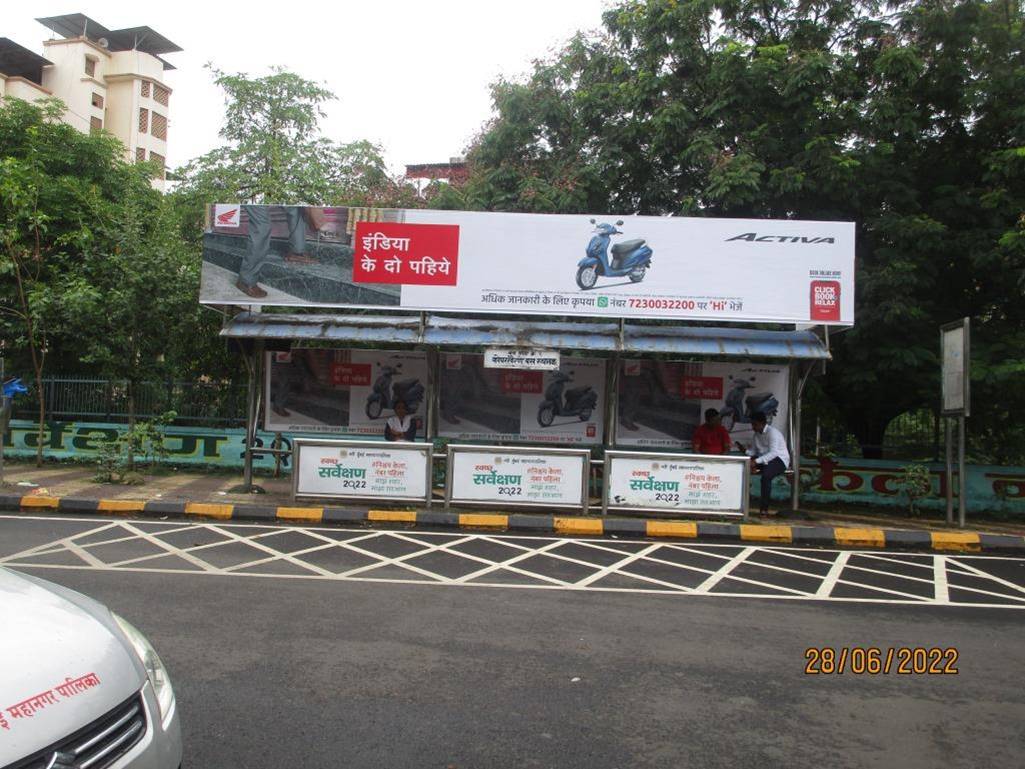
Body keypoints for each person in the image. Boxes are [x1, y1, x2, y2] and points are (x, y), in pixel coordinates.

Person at [236, 206, 328, 299]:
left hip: (273, 191)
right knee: (261, 226)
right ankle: (246, 281)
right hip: (253, 193)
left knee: (295, 208)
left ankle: (297, 251)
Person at [737, 411, 790, 515]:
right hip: (764, 459)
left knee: (766, 477)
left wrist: (755, 462)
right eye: (752, 424)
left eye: (754, 424)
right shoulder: (756, 435)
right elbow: (754, 451)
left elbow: (773, 453)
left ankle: (764, 509)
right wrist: (745, 451)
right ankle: (740, 504)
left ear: (762, 423)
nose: (753, 427)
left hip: (779, 460)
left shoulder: (773, 433)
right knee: (742, 468)